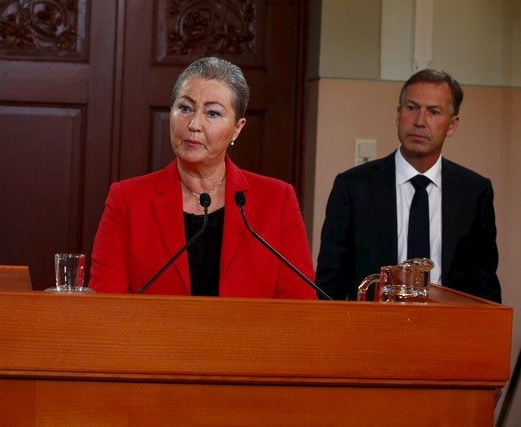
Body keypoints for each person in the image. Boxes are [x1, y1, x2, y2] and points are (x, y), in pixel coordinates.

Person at [88, 57, 317, 299]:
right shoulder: (127, 199)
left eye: (213, 113)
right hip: (153, 337)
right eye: (185, 108)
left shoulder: (277, 200)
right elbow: (106, 303)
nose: (194, 124)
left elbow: (299, 304)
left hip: (249, 337)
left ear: (237, 128)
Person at [316, 69, 501, 303]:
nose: (420, 121)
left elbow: (484, 286)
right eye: (412, 108)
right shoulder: (353, 187)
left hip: (447, 331)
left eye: (433, 112)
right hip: (372, 331)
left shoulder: (474, 192)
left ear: (452, 125)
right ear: (398, 114)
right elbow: (328, 285)